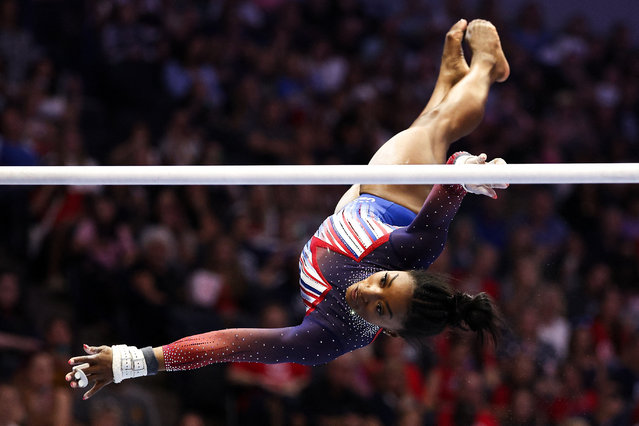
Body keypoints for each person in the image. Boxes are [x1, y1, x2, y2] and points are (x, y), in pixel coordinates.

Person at [66, 19, 510, 400]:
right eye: (384, 281)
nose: (367, 293)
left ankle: (453, 78)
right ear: (401, 270)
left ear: (389, 332)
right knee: (439, 129)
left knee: (427, 129)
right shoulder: (419, 247)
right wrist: (473, 175)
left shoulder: (328, 338)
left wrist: (134, 361)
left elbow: (228, 344)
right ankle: (487, 65)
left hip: (348, 214)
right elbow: (453, 174)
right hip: (390, 198)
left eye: (379, 310)